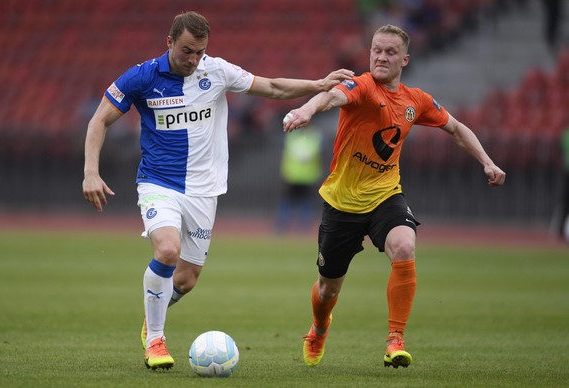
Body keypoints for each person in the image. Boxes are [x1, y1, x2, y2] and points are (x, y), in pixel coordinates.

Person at [82, 11, 353, 371]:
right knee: (167, 250)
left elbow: (271, 87)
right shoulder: (142, 77)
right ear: (169, 42)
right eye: (186, 51)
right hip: (158, 182)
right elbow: (99, 118)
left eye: (200, 52)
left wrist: (319, 84)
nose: (193, 60)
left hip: (204, 191)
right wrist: (90, 171)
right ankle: (156, 340)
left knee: (187, 279)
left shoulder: (217, 71)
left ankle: (155, 312)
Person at [282, 24, 506, 369]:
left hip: (386, 195)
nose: (381, 57)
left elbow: (457, 129)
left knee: (404, 246)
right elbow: (331, 96)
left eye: (389, 52)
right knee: (327, 290)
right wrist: (307, 111)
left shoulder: (416, 100)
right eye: (376, 50)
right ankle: (319, 328)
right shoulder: (362, 86)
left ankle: (395, 340)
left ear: (405, 59)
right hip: (342, 203)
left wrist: (488, 162)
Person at [275, 124, 324, 233]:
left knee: (293, 202)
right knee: (300, 202)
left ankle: (285, 226)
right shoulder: (314, 138)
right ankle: (300, 227)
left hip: (296, 176)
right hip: (302, 176)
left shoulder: (292, 138)